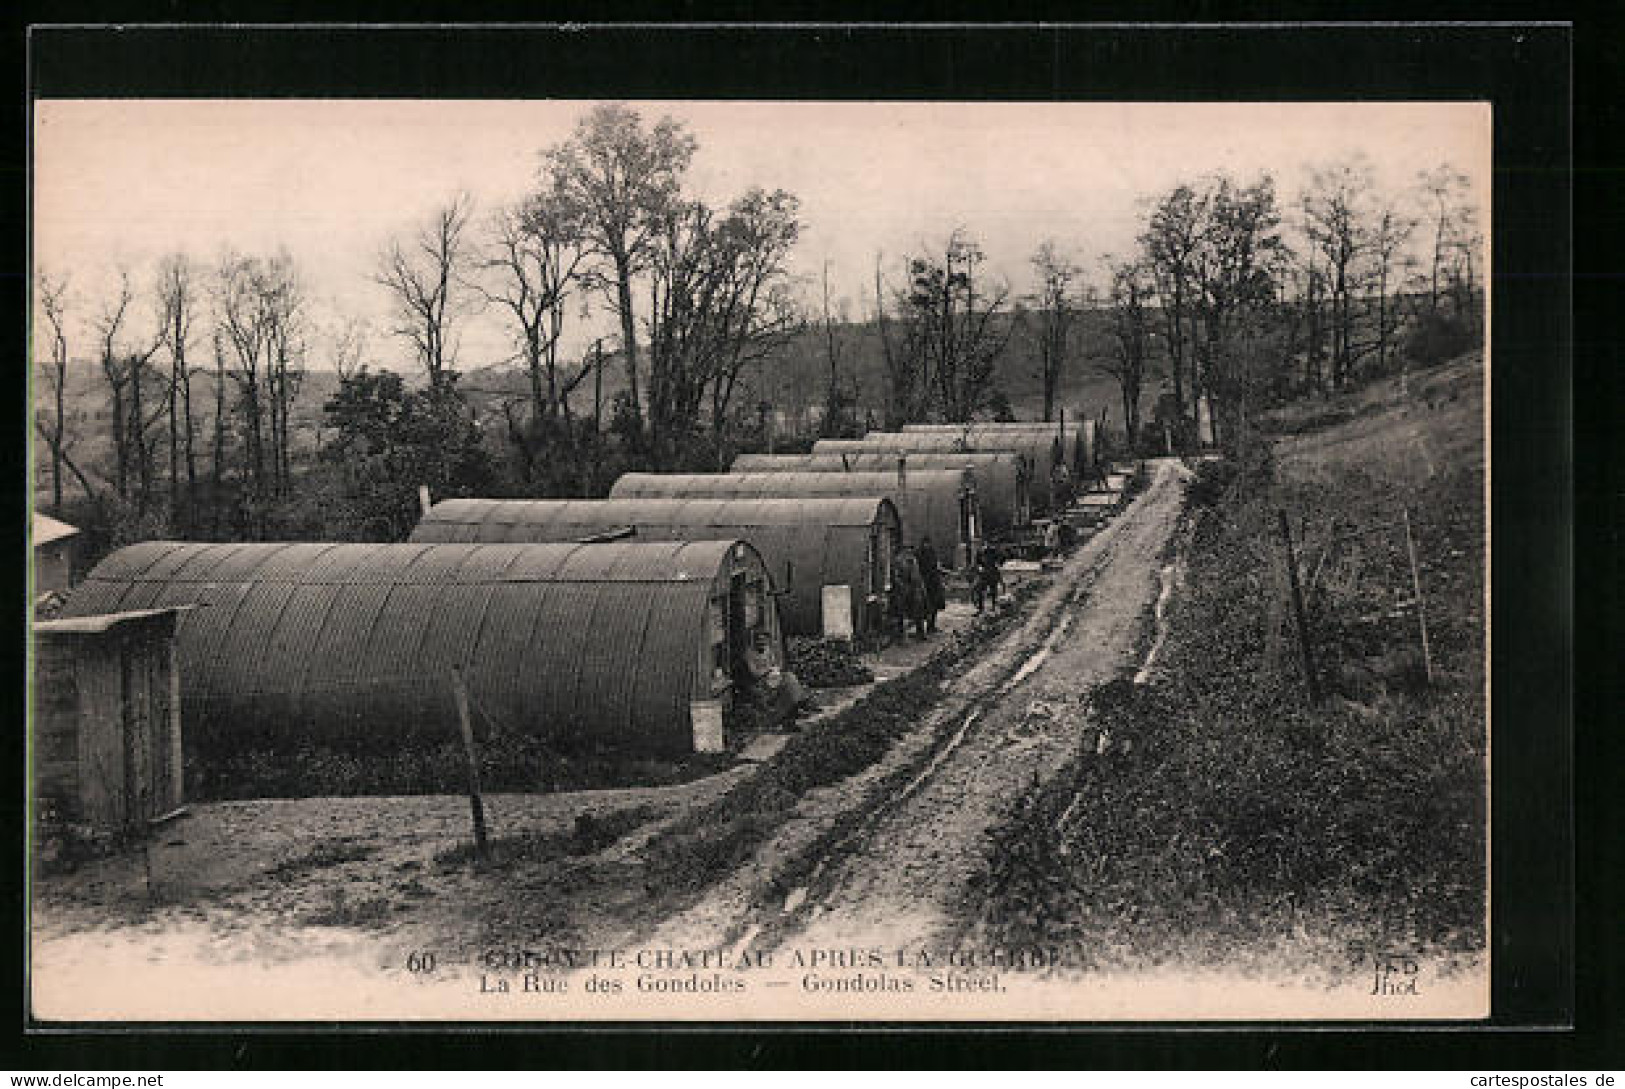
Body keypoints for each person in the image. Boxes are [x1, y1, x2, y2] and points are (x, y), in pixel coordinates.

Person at [742, 629, 809, 726]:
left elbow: (773, 663)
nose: (762, 643)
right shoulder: (749, 654)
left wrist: (774, 669)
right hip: (758, 681)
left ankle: (798, 704)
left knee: (790, 677)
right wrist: (767, 671)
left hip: (771, 677)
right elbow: (754, 672)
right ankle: (788, 714)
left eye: (764, 641)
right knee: (784, 686)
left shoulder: (768, 650)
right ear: (754, 641)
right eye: (759, 641)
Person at [890, 547, 929, 640]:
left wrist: (922, 588)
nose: (910, 551)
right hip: (904, 590)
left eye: (911, 550)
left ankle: (920, 633)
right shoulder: (899, 560)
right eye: (908, 550)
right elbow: (896, 577)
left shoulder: (913, 560)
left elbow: (917, 575)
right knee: (902, 613)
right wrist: (903, 586)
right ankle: (901, 636)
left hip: (916, 589)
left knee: (918, 611)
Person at [915, 536, 946, 634]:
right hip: (923, 583)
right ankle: (920, 630)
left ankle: (931, 626)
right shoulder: (919, 554)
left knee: (934, 606)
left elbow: (936, 567)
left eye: (928, 544)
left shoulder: (932, 553)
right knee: (920, 607)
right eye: (925, 543)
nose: (927, 545)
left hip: (933, 583)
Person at [971, 548, 1004, 613]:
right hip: (986, 573)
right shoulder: (981, 552)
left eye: (985, 557)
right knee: (980, 590)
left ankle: (993, 607)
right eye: (984, 557)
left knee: (993, 591)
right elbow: (977, 564)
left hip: (991, 573)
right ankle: (981, 608)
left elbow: (1000, 561)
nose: (985, 558)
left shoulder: (994, 552)